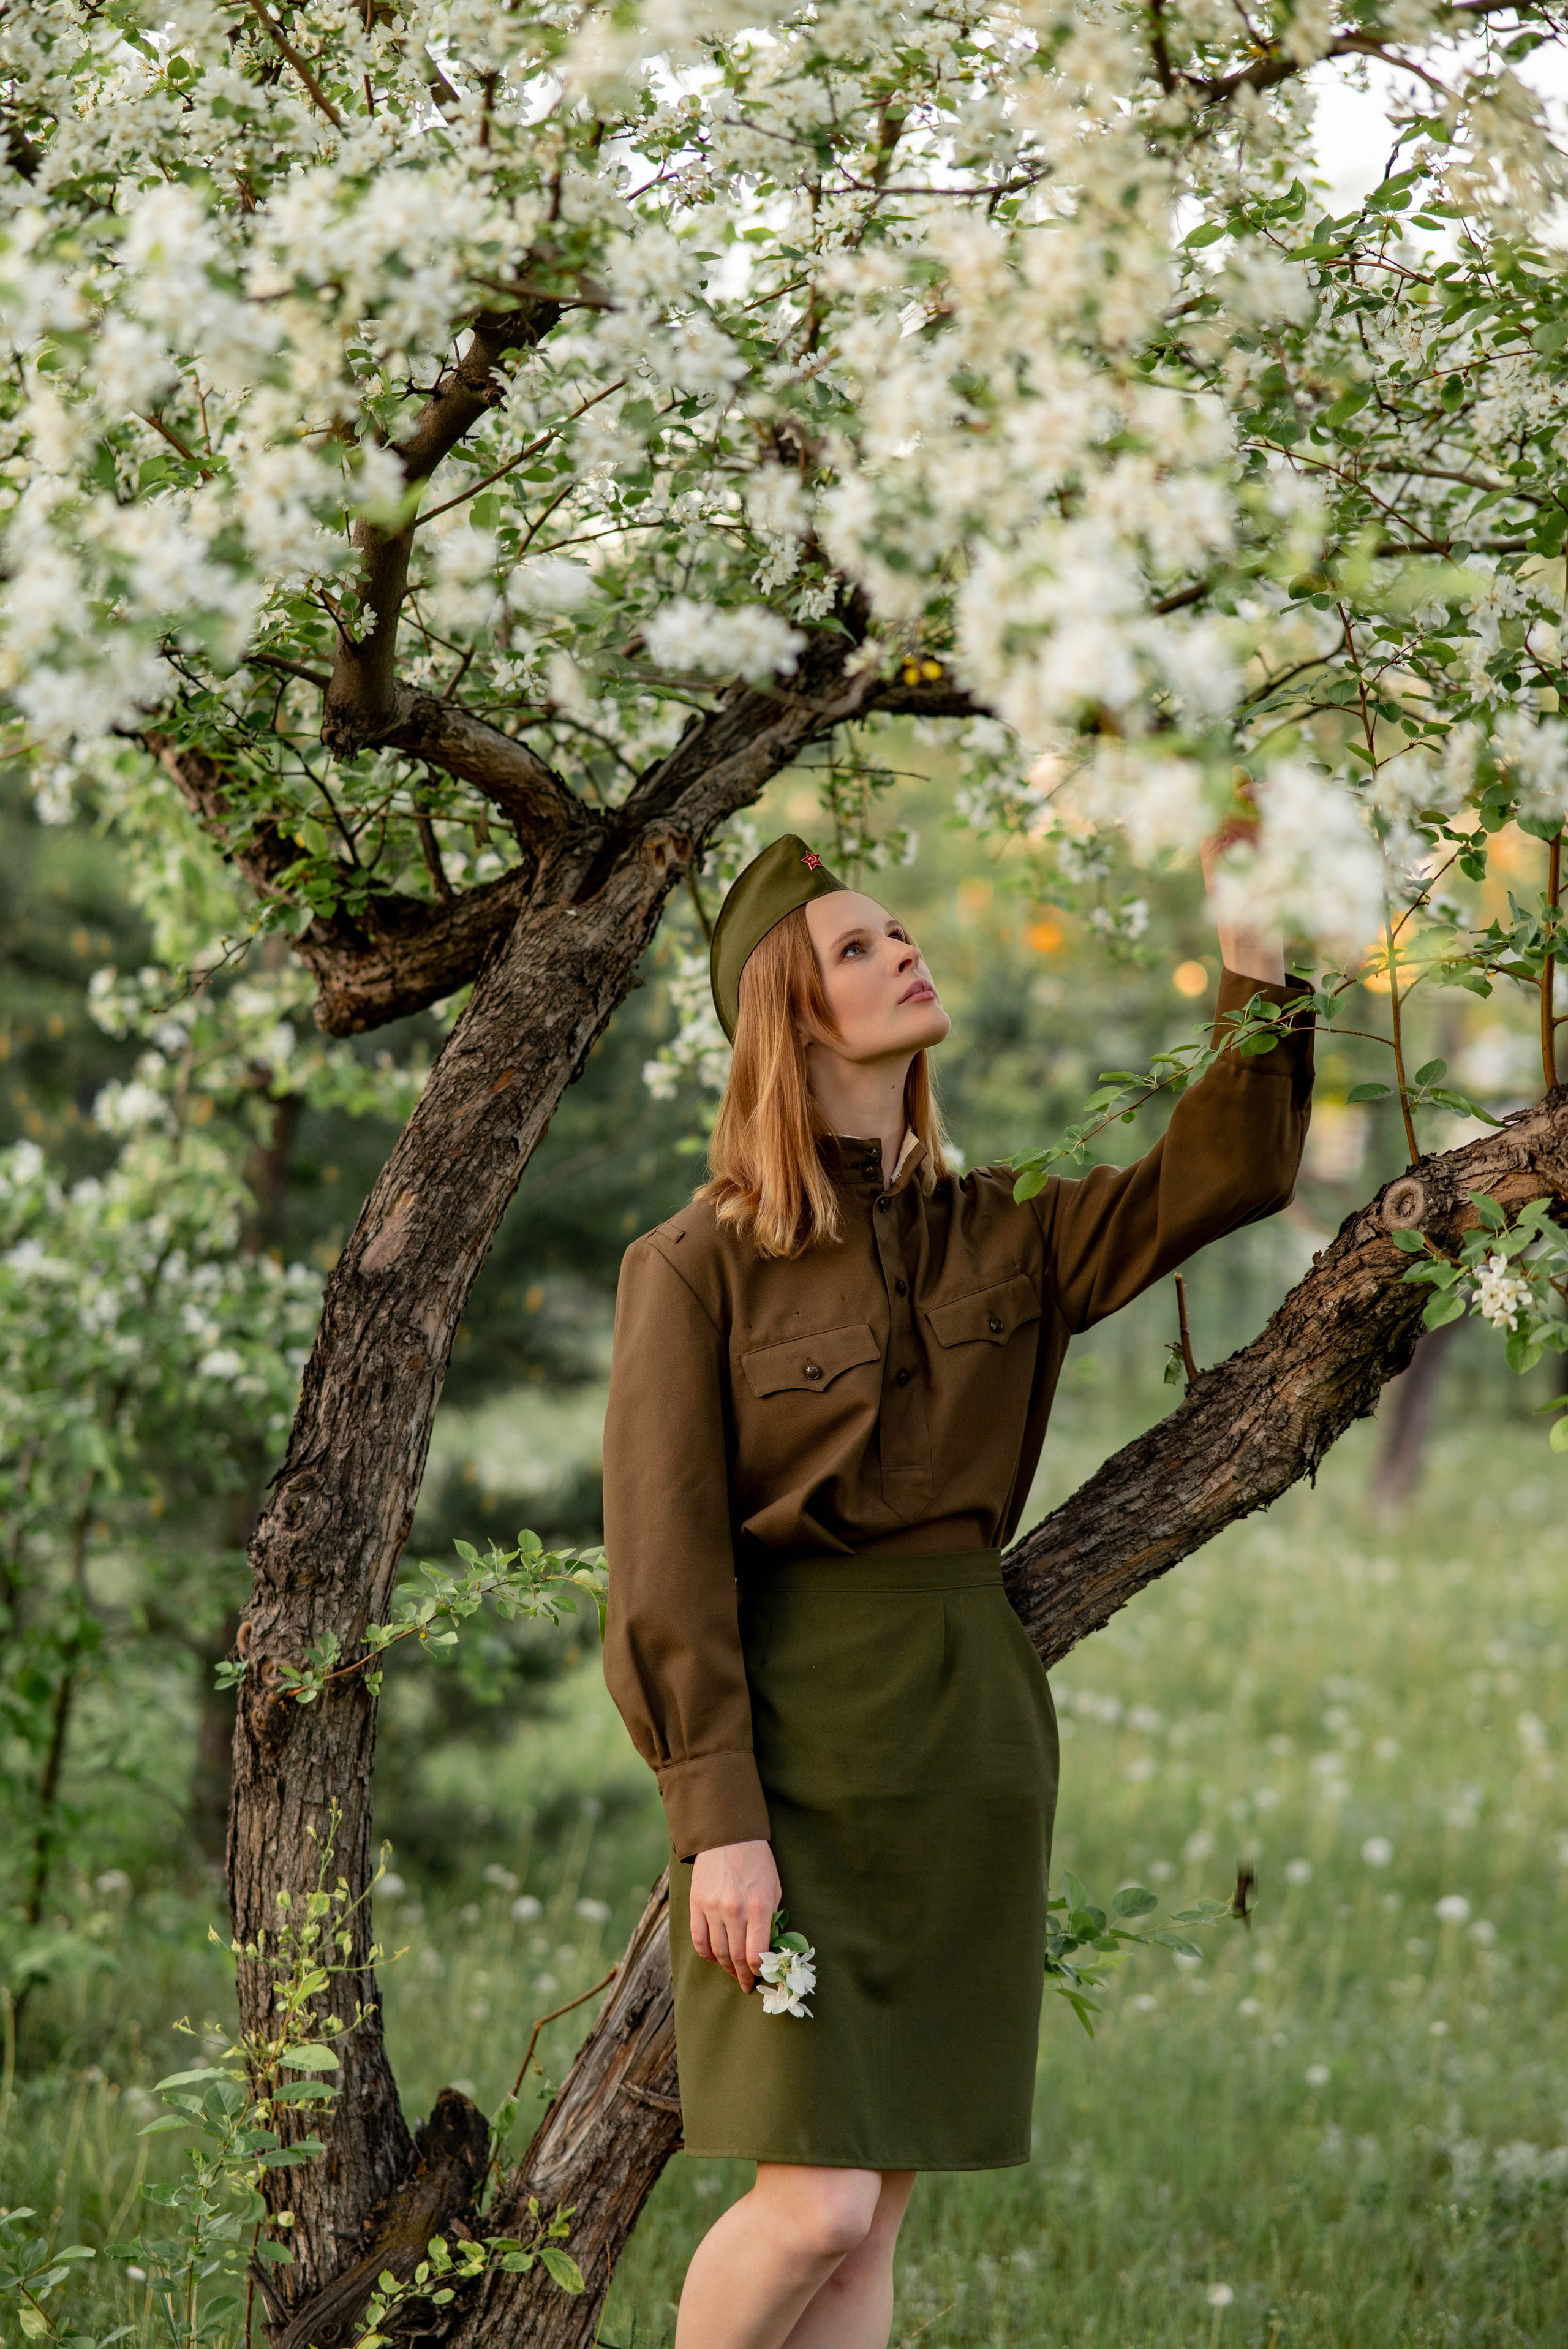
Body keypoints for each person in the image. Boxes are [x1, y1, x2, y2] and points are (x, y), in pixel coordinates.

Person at [601, 830, 1314, 2349]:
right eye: (856, 948)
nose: (903, 954)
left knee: (871, 2226)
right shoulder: (692, 1265)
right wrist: (716, 1818)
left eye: (900, 932)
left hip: (965, 1742)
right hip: (793, 1757)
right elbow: (664, 1563)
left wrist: (1251, 947)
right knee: (813, 2207)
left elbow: (1228, 1171)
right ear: (792, 1013)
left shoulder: (1006, 1223)